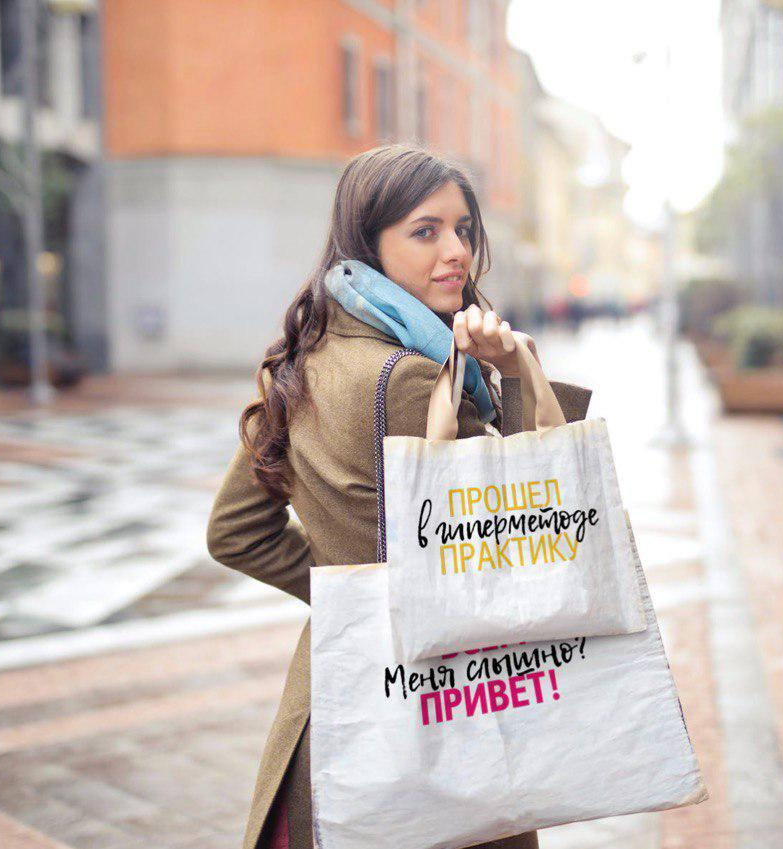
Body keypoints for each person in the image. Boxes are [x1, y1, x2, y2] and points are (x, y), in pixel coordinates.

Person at [206, 144, 593, 849]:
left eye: (463, 229)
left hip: (332, 713)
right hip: (436, 719)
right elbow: (527, 534)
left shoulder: (301, 359)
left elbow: (235, 531)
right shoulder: (414, 380)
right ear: (369, 243)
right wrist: (517, 373)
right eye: (426, 231)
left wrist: (350, 594)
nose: (457, 251)